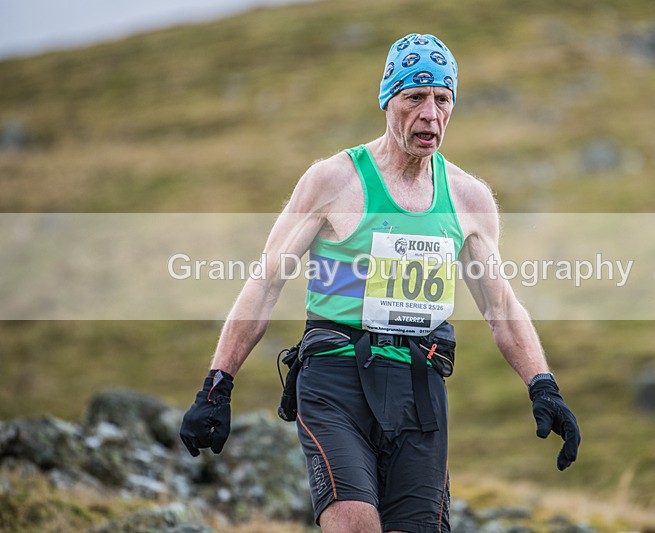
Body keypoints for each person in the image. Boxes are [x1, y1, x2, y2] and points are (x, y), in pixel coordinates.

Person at [180, 33, 580, 533]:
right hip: (335, 379)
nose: (430, 114)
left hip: (420, 388)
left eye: (443, 99)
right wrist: (218, 384)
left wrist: (544, 386)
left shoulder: (468, 199)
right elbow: (265, 283)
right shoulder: (334, 181)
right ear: (388, 100)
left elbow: (501, 307)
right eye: (415, 97)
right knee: (356, 525)